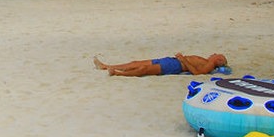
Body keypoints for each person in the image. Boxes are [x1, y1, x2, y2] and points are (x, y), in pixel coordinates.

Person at [93, 53, 228, 77]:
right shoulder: (206, 60)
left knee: (144, 69)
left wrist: (183, 60)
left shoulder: (210, 64)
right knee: (136, 63)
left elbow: (197, 73)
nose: (215, 53)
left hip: (175, 66)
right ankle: (106, 66)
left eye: (218, 55)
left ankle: (117, 73)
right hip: (171, 61)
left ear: (219, 60)